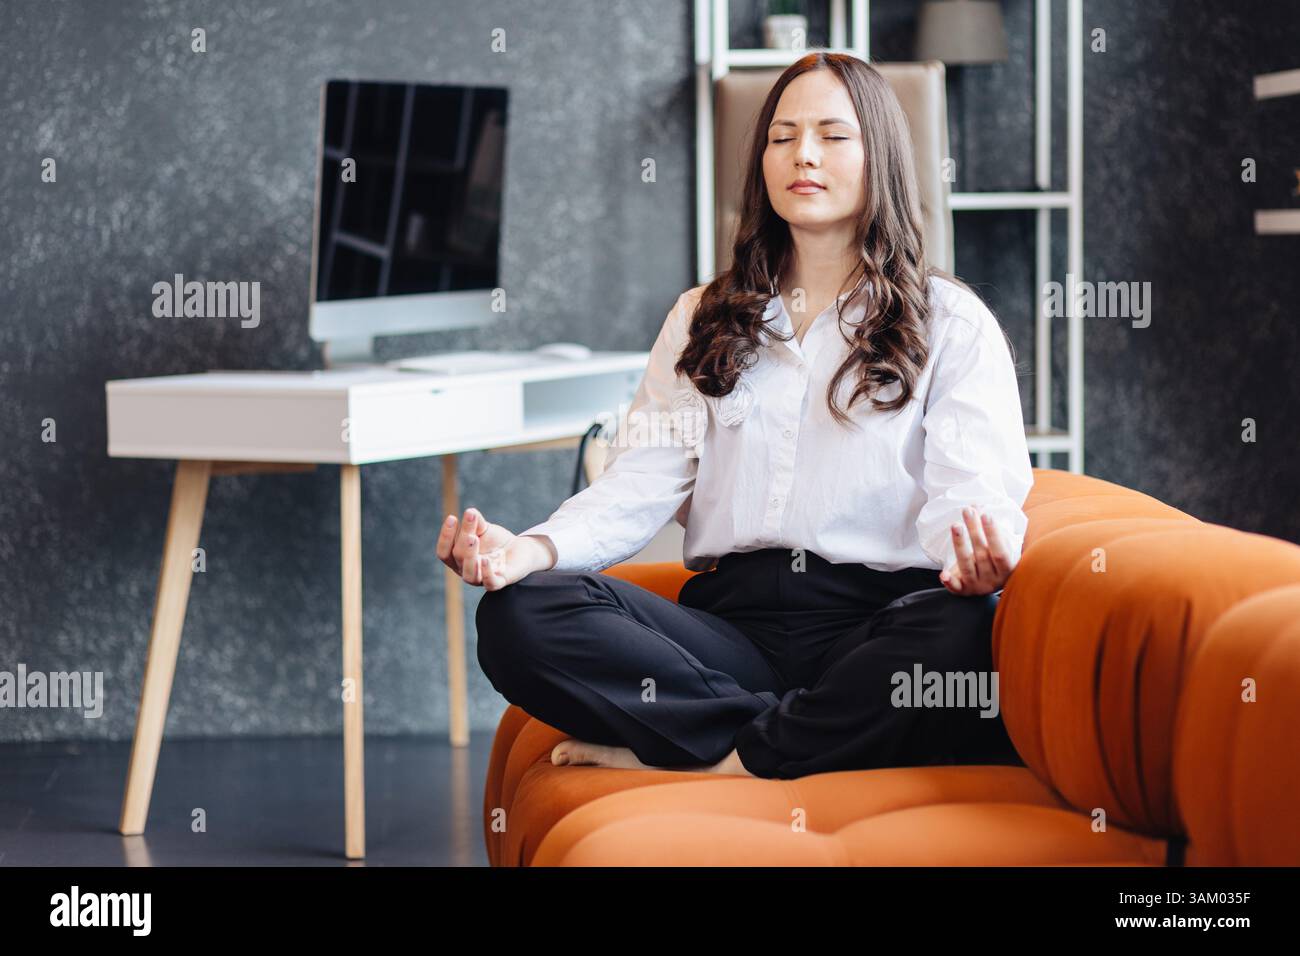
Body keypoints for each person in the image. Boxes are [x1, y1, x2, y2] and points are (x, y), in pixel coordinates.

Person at [439, 53, 1034, 779]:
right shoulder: (701, 316)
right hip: (730, 637)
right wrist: (527, 552)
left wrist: (975, 559)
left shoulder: (951, 322)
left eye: (830, 135)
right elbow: (637, 488)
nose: (802, 155)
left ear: (879, 155)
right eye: (781, 136)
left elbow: (972, 492)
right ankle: (793, 737)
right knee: (518, 616)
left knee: (964, 633)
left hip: (875, 627)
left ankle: (717, 753)